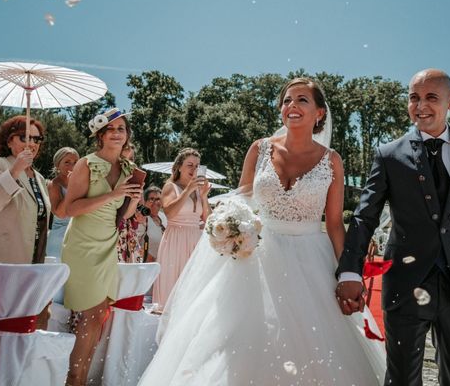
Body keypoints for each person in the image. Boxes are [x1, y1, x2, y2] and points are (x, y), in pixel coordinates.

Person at [139, 78, 386, 385]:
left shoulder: (331, 160)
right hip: (255, 256)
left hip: (310, 259)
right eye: (286, 100)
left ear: (320, 113)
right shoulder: (259, 149)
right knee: (236, 341)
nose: (291, 106)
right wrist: (228, 224)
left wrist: (349, 274)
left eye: (302, 100)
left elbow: (335, 223)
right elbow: (241, 199)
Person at [336, 69, 450, 386]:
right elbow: (365, 216)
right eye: (414, 97)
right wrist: (351, 272)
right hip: (405, 286)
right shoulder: (388, 155)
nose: (420, 105)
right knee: (401, 378)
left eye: (431, 97)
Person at [61, 108, 142, 386]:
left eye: (122, 128)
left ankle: (78, 377)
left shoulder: (130, 169)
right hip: (82, 246)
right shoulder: (86, 164)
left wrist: (131, 199)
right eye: (112, 129)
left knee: (96, 317)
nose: (118, 133)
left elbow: (126, 215)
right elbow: (70, 208)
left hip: (109, 245)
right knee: (90, 315)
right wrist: (114, 194)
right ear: (100, 135)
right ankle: (74, 379)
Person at [0, 116, 51, 265]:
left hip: (32, 262)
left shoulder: (40, 179)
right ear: (9, 141)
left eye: (37, 139)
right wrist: (15, 170)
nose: (31, 143)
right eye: (25, 137)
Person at [152, 149, 211, 308]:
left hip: (195, 240)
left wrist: (204, 197)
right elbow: (170, 213)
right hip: (175, 240)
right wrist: (188, 190)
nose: (194, 169)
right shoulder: (170, 187)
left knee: (193, 287)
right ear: (179, 167)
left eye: (197, 166)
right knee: (174, 284)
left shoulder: (199, 190)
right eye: (189, 165)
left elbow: (208, 219)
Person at [46, 147, 80, 259]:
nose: (72, 166)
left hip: (78, 238)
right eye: (67, 162)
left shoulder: (81, 183)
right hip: (59, 240)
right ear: (57, 165)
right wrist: (72, 188)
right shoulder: (53, 185)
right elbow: (60, 213)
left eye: (75, 162)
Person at [137, 186, 166, 262]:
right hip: (148, 265)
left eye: (158, 199)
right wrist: (149, 257)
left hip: (165, 262)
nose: (155, 202)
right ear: (145, 202)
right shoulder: (142, 219)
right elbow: (134, 243)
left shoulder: (164, 217)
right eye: (151, 199)